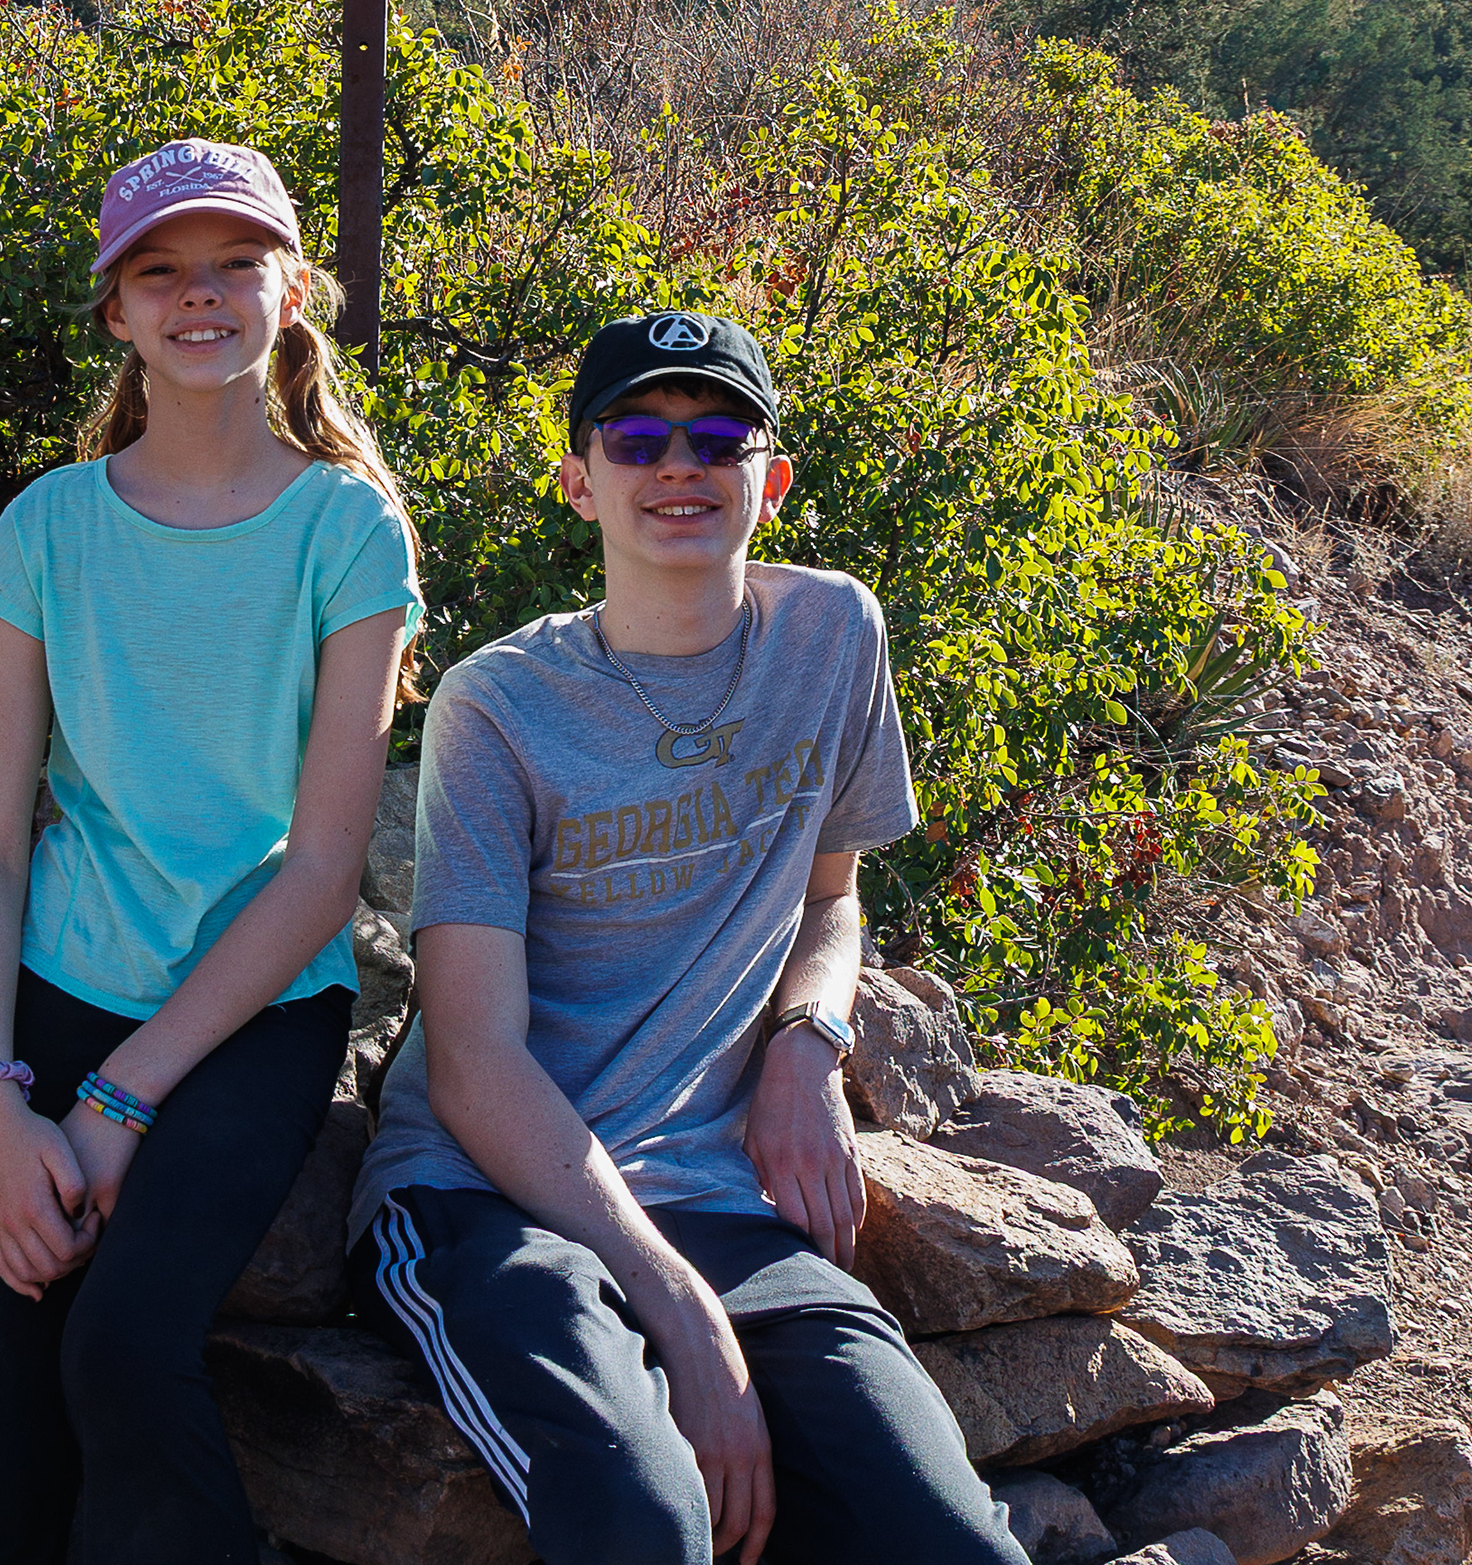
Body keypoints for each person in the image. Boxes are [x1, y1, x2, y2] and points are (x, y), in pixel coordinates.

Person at [348, 311, 1028, 1565]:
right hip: (485, 1198)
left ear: (768, 481)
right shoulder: (497, 708)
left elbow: (834, 896)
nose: (678, 464)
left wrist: (808, 1043)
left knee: (950, 1540)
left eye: (717, 435)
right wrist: (682, 1311)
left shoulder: (832, 637)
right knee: (644, 1525)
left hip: (716, 1194)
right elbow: (474, 1062)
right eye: (636, 435)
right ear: (577, 477)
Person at [0, 138, 422, 1565]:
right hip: (54, 990)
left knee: (124, 1351)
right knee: (2, 1438)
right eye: (161, 271)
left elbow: (323, 868)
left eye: (234, 266)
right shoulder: (47, 528)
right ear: (116, 310)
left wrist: (117, 1105)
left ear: (292, 295)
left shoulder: (347, 528)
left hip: (251, 1008)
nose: (198, 297)